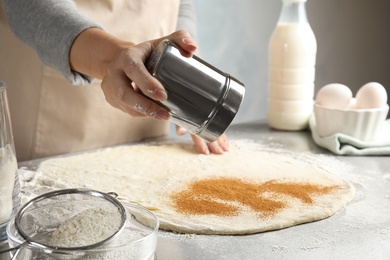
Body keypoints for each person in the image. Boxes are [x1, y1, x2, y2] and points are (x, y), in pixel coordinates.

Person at [0, 0, 229, 162]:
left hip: (149, 114)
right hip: (58, 122)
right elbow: (30, 6)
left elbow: (180, 4)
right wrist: (115, 60)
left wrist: (185, 69)